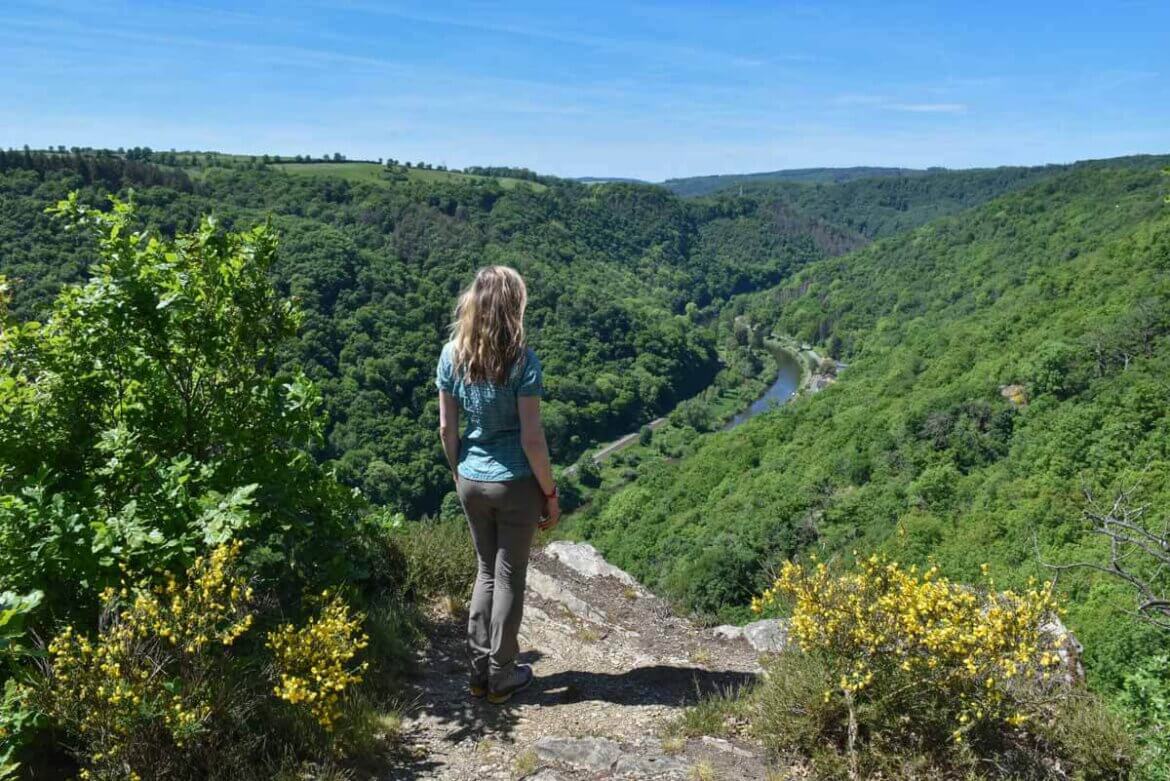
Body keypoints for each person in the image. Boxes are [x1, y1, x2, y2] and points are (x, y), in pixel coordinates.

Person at [435, 265, 560, 704]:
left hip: (472, 477)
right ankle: (502, 674)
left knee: (484, 572)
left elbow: (447, 429)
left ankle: (478, 672)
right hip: (516, 484)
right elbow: (532, 438)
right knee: (508, 576)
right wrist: (549, 492)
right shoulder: (523, 361)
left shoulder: (452, 355)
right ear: (514, 307)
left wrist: (457, 472)